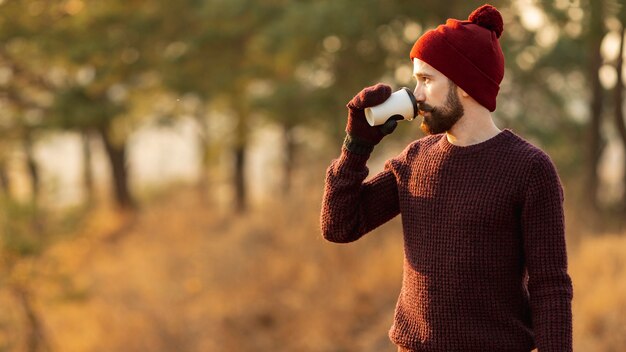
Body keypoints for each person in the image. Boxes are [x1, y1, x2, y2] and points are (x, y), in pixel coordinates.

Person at [320, 4, 573, 352]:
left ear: (465, 85)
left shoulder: (529, 169)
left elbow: (550, 286)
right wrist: (356, 146)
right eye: (416, 80)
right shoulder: (415, 159)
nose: (416, 95)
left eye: (426, 79)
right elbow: (339, 226)